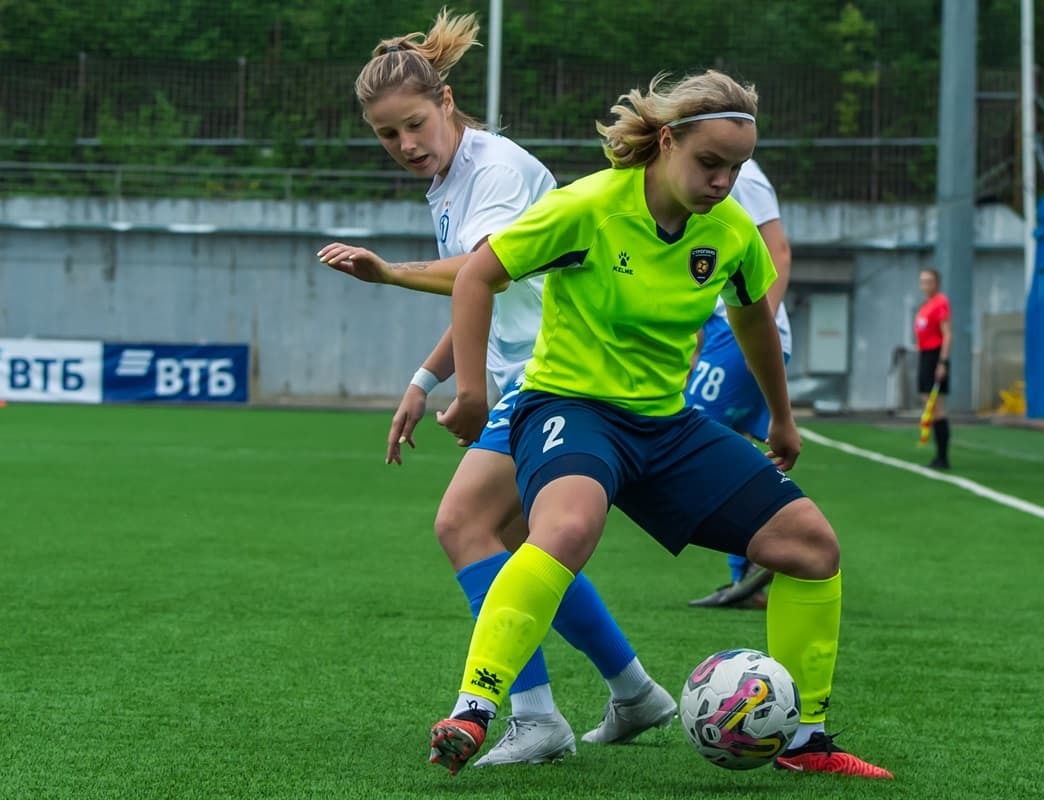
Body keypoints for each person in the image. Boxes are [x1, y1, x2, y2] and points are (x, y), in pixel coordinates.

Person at [433, 69, 892, 780]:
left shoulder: (731, 231)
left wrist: (781, 415)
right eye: (710, 163)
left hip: (666, 426)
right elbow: (475, 277)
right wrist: (468, 391)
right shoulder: (586, 206)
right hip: (568, 407)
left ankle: (804, 743)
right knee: (567, 529)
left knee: (811, 546)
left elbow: (753, 320)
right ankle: (476, 706)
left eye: (736, 169)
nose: (722, 182)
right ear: (667, 141)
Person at [316, 9, 674, 768]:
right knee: (518, 543)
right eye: (388, 136)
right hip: (544, 373)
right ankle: (635, 692)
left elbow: (480, 271)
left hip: (562, 376)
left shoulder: (496, 172)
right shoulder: (453, 177)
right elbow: (484, 293)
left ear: (446, 102)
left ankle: (536, 717)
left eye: (414, 124)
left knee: (462, 526)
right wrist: (425, 378)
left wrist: (391, 275)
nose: (406, 146)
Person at [685, 158, 792, 610]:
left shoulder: (739, 176)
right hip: (720, 332)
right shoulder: (687, 178)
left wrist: (755, 333)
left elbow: (779, 251)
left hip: (742, 331)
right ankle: (750, 574)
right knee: (723, 443)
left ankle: (780, 537)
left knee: (691, 436)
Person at [914, 267, 952, 469]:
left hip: (935, 355)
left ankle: (942, 456)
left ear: (936, 283)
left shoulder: (940, 302)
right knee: (928, 402)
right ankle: (938, 455)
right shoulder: (925, 305)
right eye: (923, 281)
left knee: (936, 407)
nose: (925, 285)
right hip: (925, 354)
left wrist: (942, 362)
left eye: (929, 281)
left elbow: (947, 334)